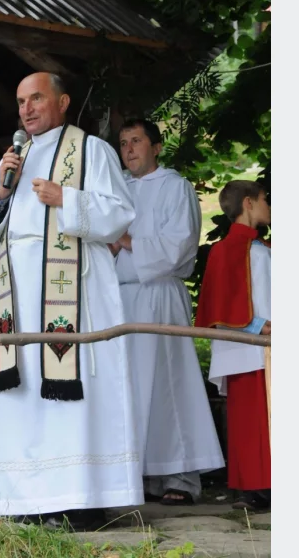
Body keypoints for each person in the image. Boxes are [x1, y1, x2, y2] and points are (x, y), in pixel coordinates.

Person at [0, 72, 141, 530]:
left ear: (62, 101)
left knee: (73, 393)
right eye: (21, 101)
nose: (26, 109)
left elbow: (121, 215)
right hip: (20, 296)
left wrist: (67, 197)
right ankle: (28, 497)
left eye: (36, 98)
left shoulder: (91, 150)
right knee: (25, 392)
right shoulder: (15, 157)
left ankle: (83, 499)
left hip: (74, 292)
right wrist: (3, 192)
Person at [111, 119, 225, 506]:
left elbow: (178, 246)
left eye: (137, 141)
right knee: (132, 387)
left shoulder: (176, 187)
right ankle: (141, 473)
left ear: (156, 147)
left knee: (169, 385)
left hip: (159, 294)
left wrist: (125, 241)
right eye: (124, 143)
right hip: (121, 299)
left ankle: (181, 475)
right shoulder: (116, 192)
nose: (129, 149)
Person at [195, 180, 271, 512]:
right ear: (249, 204)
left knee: (259, 420)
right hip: (251, 347)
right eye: (266, 199)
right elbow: (220, 305)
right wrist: (256, 326)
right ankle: (257, 486)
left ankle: (256, 485)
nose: (270, 206)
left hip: (257, 349)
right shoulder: (229, 250)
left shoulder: (256, 249)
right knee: (253, 420)